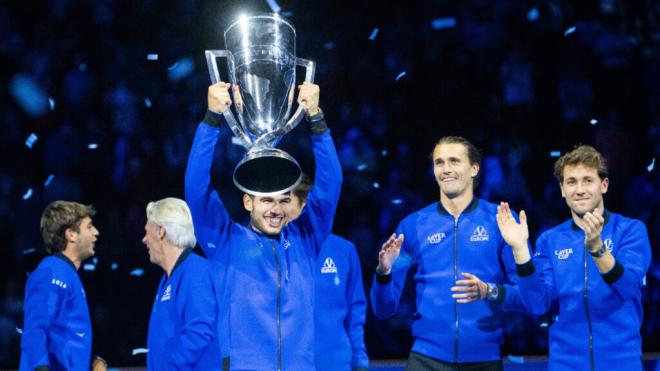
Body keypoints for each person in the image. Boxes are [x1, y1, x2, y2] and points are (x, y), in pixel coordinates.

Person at [184, 81, 342, 370]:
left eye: (283, 201)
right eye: (267, 201)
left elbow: (331, 187)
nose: (276, 210)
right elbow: (196, 189)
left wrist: (317, 119)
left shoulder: (306, 240)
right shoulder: (225, 242)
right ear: (248, 203)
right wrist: (211, 120)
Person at [371, 136, 525, 371]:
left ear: (474, 168)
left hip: (484, 360)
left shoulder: (501, 220)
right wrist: (383, 273)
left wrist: (491, 292)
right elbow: (384, 309)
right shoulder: (413, 226)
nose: (446, 169)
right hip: (425, 360)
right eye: (439, 162)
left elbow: (529, 297)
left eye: (454, 161)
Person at [495, 145, 652, 371]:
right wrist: (520, 250)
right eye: (571, 182)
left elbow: (627, 287)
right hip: (565, 365)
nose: (579, 190)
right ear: (562, 189)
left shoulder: (631, 230)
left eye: (588, 180)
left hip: (621, 363)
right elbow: (539, 304)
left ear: (604, 185)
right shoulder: (550, 240)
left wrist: (598, 249)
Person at [290, 175, 369, 371]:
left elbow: (355, 311)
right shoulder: (271, 251)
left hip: (335, 364)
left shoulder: (345, 250)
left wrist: (359, 362)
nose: (278, 209)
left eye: (285, 201)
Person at [142, 197, 221, 370]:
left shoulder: (196, 271)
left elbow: (200, 331)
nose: (144, 240)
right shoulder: (167, 278)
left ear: (160, 231)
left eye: (147, 231)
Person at [20, 201, 99, 371]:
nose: (96, 232)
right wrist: (40, 368)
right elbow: (36, 327)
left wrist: (91, 361)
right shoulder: (52, 271)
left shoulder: (67, 274)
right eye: (90, 227)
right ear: (71, 234)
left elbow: (64, 337)